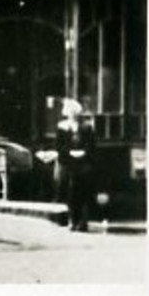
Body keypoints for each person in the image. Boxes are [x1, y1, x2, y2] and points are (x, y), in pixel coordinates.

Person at [55, 98, 97, 232]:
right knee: (70, 193)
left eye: (75, 112)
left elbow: (91, 146)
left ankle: (83, 222)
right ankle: (72, 221)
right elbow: (59, 146)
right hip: (68, 165)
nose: (72, 115)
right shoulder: (61, 127)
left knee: (83, 193)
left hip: (83, 165)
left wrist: (83, 153)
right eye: (70, 112)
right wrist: (69, 153)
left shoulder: (86, 127)